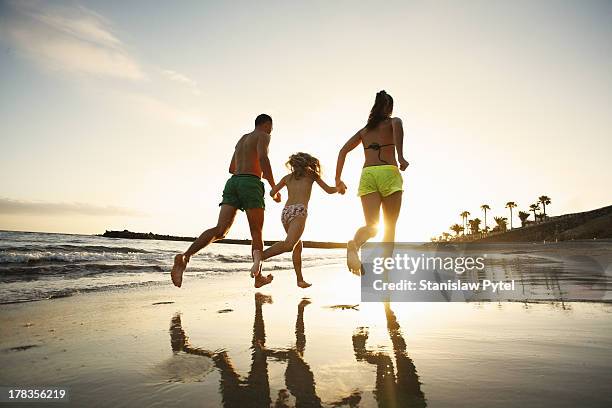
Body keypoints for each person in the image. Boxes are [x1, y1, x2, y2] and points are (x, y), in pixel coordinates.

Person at [171, 114, 281, 288]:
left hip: (233, 182)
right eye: (272, 128)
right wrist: (274, 187)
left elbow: (232, 168)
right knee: (256, 233)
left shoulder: (242, 139)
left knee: (220, 230)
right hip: (250, 183)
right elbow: (263, 158)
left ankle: (185, 256)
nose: (272, 131)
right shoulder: (263, 136)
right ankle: (258, 277)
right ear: (267, 124)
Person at [334, 90, 409, 274]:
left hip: (368, 174)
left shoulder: (364, 131)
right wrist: (401, 157)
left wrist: (338, 178)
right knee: (389, 226)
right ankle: (385, 273)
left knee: (372, 227)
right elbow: (398, 136)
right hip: (388, 173)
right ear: (389, 107)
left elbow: (343, 150)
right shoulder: (395, 121)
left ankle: (355, 244)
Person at [252, 152, 342, 287]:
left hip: (286, 212)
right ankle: (260, 256)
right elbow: (328, 190)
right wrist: (339, 188)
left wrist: (277, 195)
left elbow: (272, 193)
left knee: (297, 245)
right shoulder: (312, 175)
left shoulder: (287, 178)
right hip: (299, 211)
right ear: (307, 163)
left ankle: (300, 279)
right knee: (289, 245)